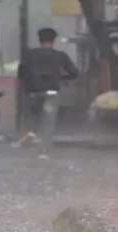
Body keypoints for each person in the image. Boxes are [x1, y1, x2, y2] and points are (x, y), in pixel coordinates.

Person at [17, 27, 78, 157]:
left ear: (39, 40)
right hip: (52, 92)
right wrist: (61, 78)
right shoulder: (60, 55)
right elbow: (74, 73)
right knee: (48, 122)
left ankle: (31, 132)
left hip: (33, 92)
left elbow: (21, 73)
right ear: (53, 40)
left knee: (32, 116)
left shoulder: (29, 54)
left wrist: (28, 84)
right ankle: (43, 150)